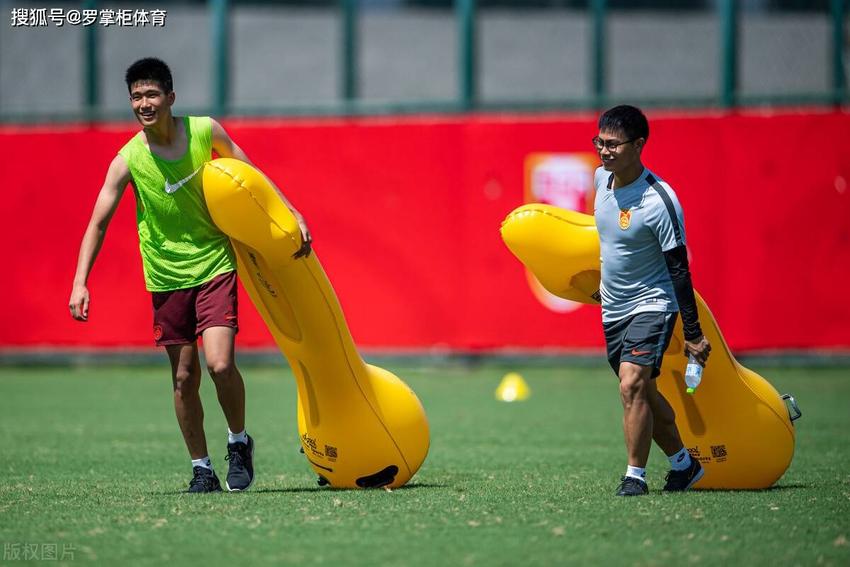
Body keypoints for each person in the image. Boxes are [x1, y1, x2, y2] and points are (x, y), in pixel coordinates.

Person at [68, 57, 311, 493]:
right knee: (184, 377)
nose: (144, 103)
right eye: (137, 97)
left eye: (152, 94)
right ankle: (201, 469)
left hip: (215, 263)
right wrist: (80, 281)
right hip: (165, 277)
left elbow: (251, 174)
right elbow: (98, 221)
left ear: (170, 98)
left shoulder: (204, 131)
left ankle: (238, 442)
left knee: (219, 365)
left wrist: (290, 211)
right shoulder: (128, 159)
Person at [592, 105, 711, 496]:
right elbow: (608, 247)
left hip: (653, 305)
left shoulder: (659, 200)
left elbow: (679, 270)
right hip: (614, 310)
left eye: (613, 144)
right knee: (643, 392)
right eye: (600, 142)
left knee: (631, 385)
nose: (604, 151)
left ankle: (634, 477)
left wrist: (692, 334)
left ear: (638, 144)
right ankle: (684, 465)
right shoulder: (600, 181)